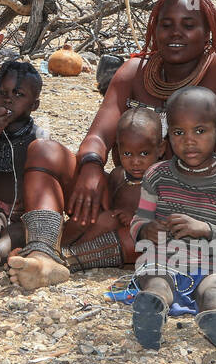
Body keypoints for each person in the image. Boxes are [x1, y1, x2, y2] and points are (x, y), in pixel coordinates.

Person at [69, 0, 216, 253]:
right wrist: (92, 166)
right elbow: (98, 136)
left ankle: (76, 255)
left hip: (196, 204)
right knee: (46, 153)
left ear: (207, 32)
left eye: (189, 25)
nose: (175, 33)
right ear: (154, 31)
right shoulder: (134, 71)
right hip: (128, 191)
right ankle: (41, 245)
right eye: (166, 24)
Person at [129, 87, 216, 354]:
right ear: (168, 135)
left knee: (213, 288)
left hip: (213, 264)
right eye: (178, 132)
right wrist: (145, 230)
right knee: (155, 278)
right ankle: (152, 309)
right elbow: (139, 219)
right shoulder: (157, 175)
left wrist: (207, 230)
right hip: (164, 259)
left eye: (200, 131)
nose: (189, 141)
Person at [0, 60, 74, 290]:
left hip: (27, 213)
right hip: (1, 207)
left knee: (18, 232)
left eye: (18, 94)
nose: (7, 99)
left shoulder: (38, 136)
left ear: (35, 104)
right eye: (1, 92)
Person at [60, 108, 161, 273]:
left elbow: (160, 216)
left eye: (144, 153)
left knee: (109, 220)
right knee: (89, 217)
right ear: (117, 150)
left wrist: (135, 218)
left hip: (126, 237)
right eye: (127, 153)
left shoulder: (159, 181)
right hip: (105, 227)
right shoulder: (118, 175)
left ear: (160, 149)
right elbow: (108, 203)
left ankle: (69, 255)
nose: (135, 161)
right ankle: (57, 246)